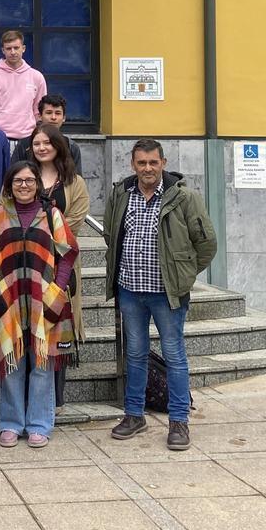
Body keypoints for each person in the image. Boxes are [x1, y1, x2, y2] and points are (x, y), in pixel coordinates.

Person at [104, 139, 217, 452]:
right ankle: (133, 415)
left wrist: (184, 275)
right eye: (141, 163)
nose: (147, 169)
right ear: (133, 165)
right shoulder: (121, 194)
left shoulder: (183, 197)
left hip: (167, 294)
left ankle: (178, 421)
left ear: (163, 163)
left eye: (153, 162)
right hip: (130, 289)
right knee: (136, 354)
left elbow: (206, 243)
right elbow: (110, 234)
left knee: (174, 356)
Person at [0, 161, 78, 449]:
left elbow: (69, 253)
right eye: (17, 181)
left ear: (38, 183)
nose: (23, 185)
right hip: (8, 298)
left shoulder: (51, 214)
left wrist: (58, 288)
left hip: (44, 298)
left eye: (29, 180)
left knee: (41, 361)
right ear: (9, 186)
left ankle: (39, 424)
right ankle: (10, 423)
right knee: (11, 358)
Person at [27, 121, 91, 411]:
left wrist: (43, 234)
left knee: (57, 324)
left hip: (61, 263)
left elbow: (75, 221)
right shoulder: (24, 177)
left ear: (57, 146)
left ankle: (56, 398)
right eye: (37, 144)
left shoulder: (74, 183)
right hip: (26, 262)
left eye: (47, 143)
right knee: (29, 325)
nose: (41, 148)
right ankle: (30, 394)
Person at [0, 30, 48, 141]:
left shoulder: (37, 77)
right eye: (8, 48)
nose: (12, 52)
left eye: (16, 48)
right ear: (3, 50)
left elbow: (39, 111)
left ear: (23, 48)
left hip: (28, 137)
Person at [11, 94, 83, 172]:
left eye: (58, 113)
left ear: (64, 118)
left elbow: (76, 180)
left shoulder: (71, 147)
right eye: (49, 113)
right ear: (40, 116)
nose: (53, 117)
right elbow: (13, 176)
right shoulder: (24, 145)